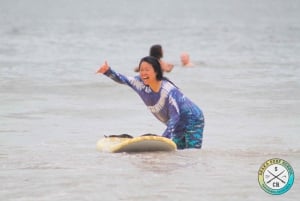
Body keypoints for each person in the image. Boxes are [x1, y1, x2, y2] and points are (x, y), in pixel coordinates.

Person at [97, 56, 204, 149]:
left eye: (147, 69)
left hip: (193, 120)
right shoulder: (139, 83)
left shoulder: (167, 91)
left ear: (156, 71)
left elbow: (175, 117)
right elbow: (123, 79)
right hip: (176, 123)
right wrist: (107, 71)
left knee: (191, 153)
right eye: (141, 70)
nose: (143, 73)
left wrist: (162, 140)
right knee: (178, 153)